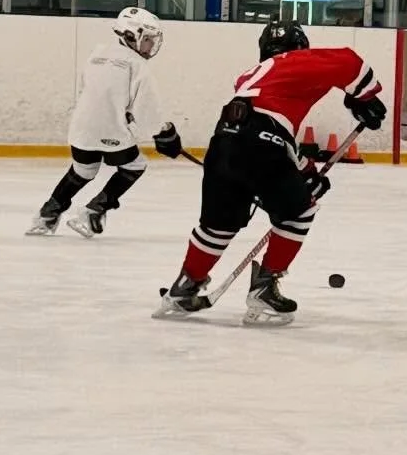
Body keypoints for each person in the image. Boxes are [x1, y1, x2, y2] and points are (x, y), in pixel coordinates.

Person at [155, 18, 386, 320]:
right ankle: (265, 287)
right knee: (300, 211)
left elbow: (264, 128)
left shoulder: (251, 76)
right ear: (300, 47)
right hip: (263, 144)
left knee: (218, 225)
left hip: (223, 142)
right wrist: (364, 98)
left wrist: (304, 169)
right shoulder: (296, 60)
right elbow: (348, 61)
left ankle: (184, 287)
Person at [28, 7, 177, 237]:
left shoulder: (97, 54)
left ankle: (47, 215)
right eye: (147, 40)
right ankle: (93, 211)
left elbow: (90, 91)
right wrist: (165, 133)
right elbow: (148, 111)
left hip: (81, 128)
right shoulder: (138, 66)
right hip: (112, 131)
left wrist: (121, 110)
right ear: (130, 36)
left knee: (83, 171)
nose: (150, 46)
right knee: (134, 166)